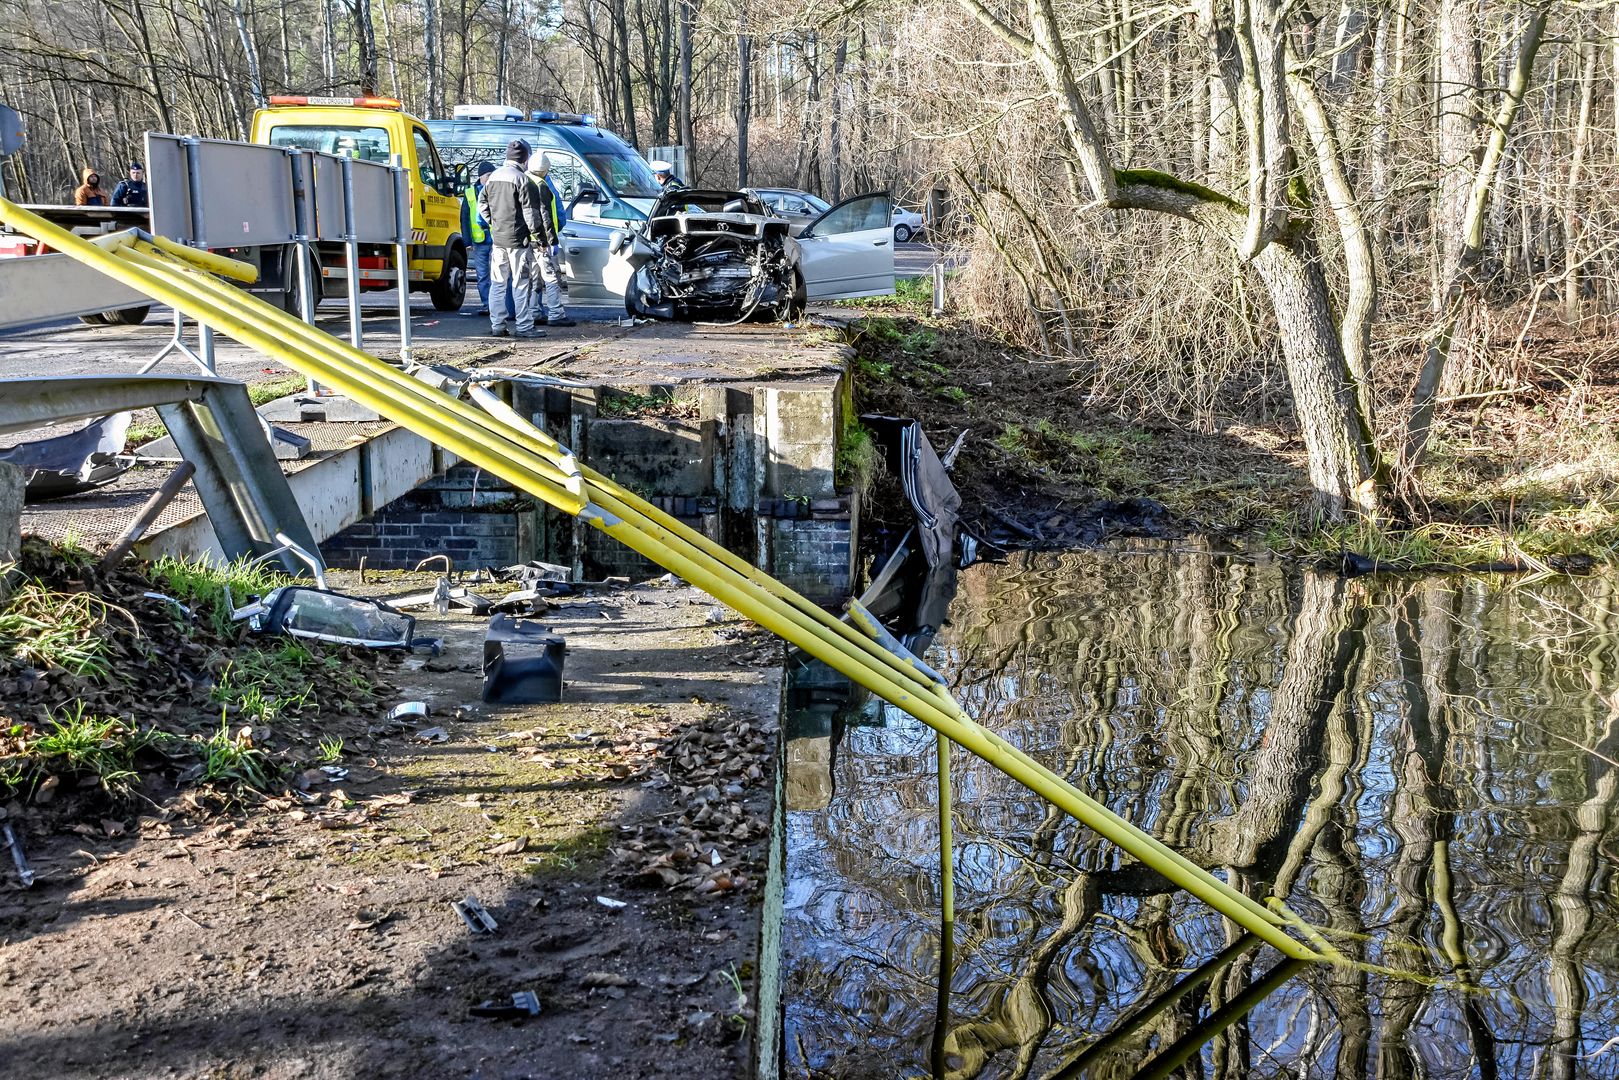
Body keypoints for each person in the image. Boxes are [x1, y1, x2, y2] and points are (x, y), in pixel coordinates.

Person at [476, 139, 548, 338]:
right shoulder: (523, 180)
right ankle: (524, 326)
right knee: (521, 283)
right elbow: (531, 216)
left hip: (498, 239)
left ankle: (497, 325)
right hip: (519, 241)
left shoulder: (493, 178)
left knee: (497, 284)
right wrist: (541, 240)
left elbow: (481, 205)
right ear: (525, 159)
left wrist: (494, 223)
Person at [525, 154, 576, 328]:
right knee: (552, 277)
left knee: (533, 278)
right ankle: (556, 312)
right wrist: (550, 241)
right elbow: (545, 217)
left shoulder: (523, 181)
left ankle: (533, 311)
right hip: (542, 241)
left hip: (528, 240)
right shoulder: (541, 185)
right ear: (545, 170)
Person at [461, 161, 497, 316]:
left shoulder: (496, 189)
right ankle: (487, 304)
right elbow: (464, 218)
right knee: (482, 275)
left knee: (498, 275)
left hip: (496, 240)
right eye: (488, 175)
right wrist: (467, 241)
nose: (490, 178)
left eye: (492, 175)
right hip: (479, 241)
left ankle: (496, 305)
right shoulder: (470, 192)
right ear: (481, 176)